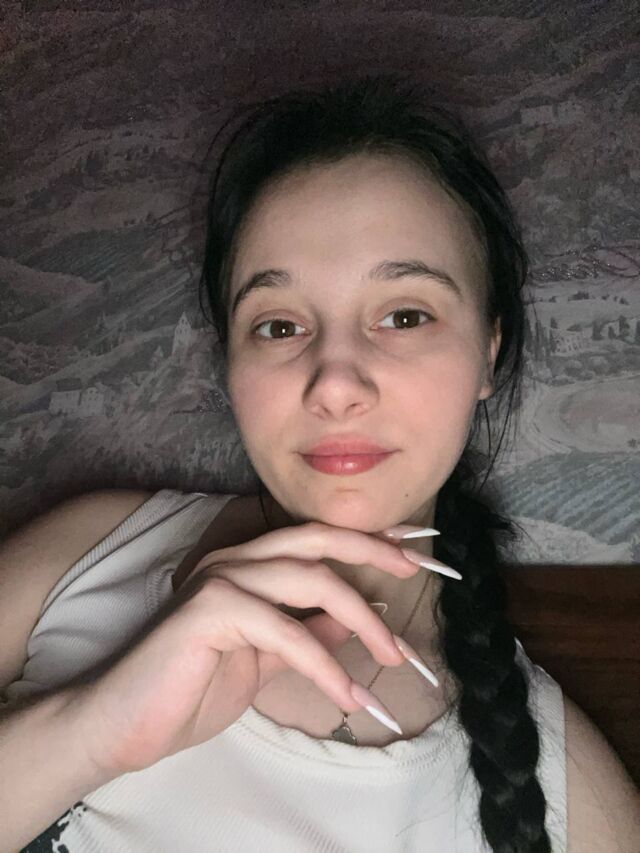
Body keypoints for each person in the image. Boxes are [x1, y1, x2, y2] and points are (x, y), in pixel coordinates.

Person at [1, 73, 637, 853]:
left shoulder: (570, 796)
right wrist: (88, 731)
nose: (335, 384)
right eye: (278, 325)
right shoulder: (88, 548)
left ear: (488, 350)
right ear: (229, 361)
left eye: (405, 315)